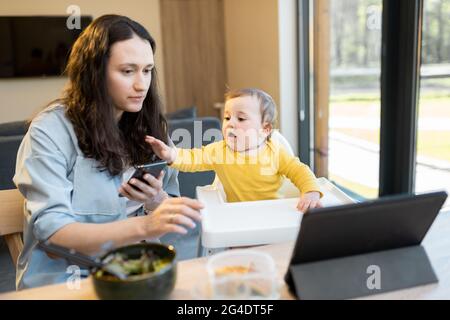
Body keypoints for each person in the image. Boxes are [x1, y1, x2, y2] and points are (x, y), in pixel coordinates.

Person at [13, 15, 202, 290]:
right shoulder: (50, 130)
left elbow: (168, 207)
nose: (142, 85)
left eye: (147, 70)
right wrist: (146, 227)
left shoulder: (149, 125)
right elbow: (52, 231)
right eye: (128, 71)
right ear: (94, 72)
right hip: (67, 281)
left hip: (137, 271)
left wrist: (156, 201)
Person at [146, 88, 323, 212]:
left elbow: (299, 170)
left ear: (265, 129)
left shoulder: (275, 152)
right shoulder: (219, 151)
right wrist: (171, 154)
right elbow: (193, 159)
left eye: (241, 118)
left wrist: (311, 191)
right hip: (235, 216)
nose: (231, 123)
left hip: (271, 213)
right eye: (227, 117)